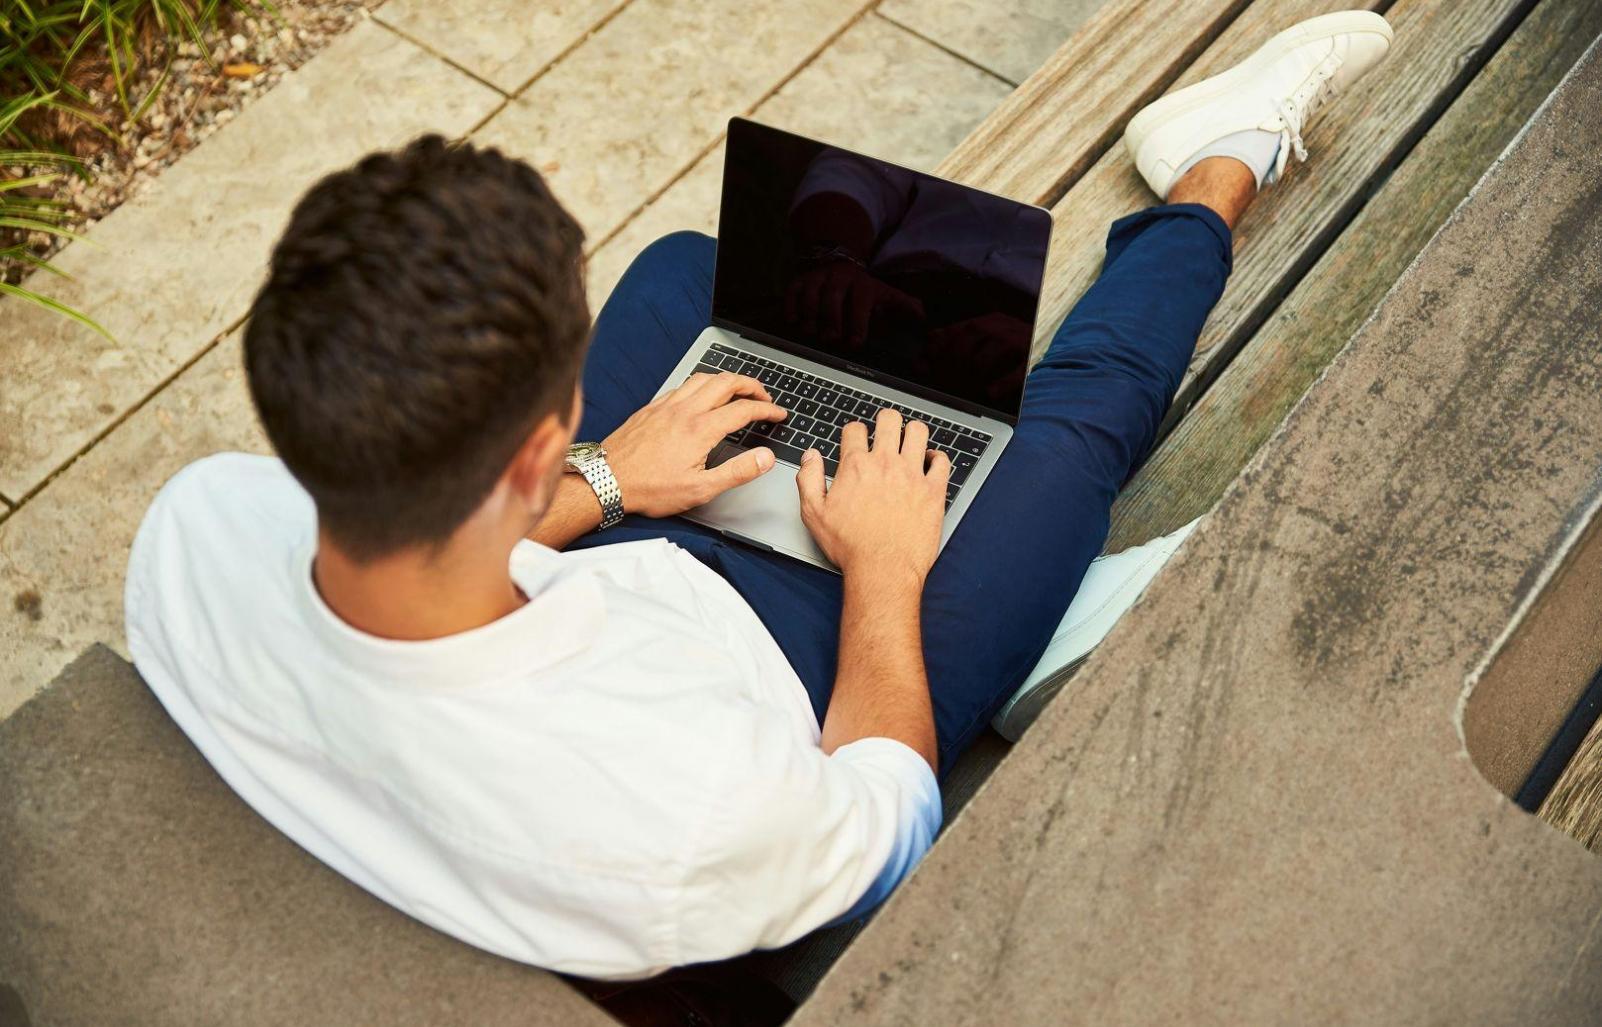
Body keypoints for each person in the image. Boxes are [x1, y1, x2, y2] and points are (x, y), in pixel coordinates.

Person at [125, 12, 1391, 980]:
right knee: (1077, 418)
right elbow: (886, 830)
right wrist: (889, 569)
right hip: (808, 665)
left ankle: (1005, 545)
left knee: (689, 279)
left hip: (602, 559)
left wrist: (609, 476)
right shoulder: (690, 815)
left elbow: (428, 573)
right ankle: (1218, 167)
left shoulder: (199, 530)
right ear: (523, 451)